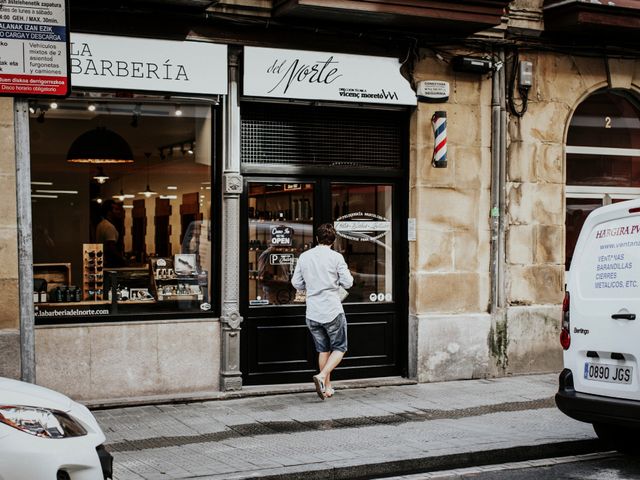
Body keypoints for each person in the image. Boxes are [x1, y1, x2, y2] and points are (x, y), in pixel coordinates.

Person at [291, 223, 353, 400]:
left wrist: (310, 286)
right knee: (340, 348)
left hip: (312, 312)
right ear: (333, 240)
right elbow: (348, 283)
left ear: (317, 239)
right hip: (332, 310)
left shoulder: (305, 257)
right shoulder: (336, 258)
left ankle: (327, 387)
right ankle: (321, 376)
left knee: (323, 349)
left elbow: (296, 283)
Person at [96, 199, 127, 267]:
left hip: (102, 263)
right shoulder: (109, 227)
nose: (118, 212)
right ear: (109, 212)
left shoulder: (101, 224)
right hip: (110, 265)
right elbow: (111, 248)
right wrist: (123, 261)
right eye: (115, 209)